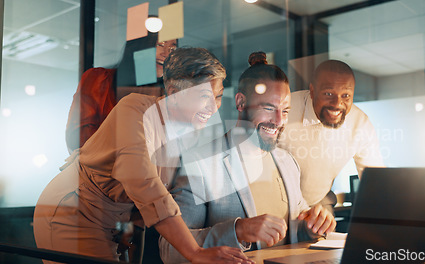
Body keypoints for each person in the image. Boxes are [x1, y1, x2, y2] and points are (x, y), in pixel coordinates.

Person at [33, 47, 252, 264]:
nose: (214, 108)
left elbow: (155, 195)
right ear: (175, 93)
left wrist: (130, 230)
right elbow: (143, 184)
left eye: (218, 96)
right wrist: (195, 251)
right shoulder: (134, 109)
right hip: (73, 211)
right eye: (205, 96)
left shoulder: (186, 134)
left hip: (113, 222)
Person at [159, 52, 336, 263]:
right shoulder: (200, 163)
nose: (279, 121)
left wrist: (314, 224)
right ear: (241, 102)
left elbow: (293, 230)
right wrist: (238, 230)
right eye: (268, 108)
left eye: (285, 111)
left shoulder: (287, 161)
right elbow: (170, 250)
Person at [278, 60, 384, 211]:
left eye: (346, 95)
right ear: (312, 91)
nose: (337, 103)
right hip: (273, 204)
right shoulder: (284, 110)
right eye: (328, 93)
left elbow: (376, 183)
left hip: (316, 206)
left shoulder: (360, 123)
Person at [65, 32, 177, 153]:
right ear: (140, 45)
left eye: (172, 49)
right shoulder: (100, 79)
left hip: (142, 169)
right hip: (105, 167)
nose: (166, 54)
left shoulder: (165, 96)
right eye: (160, 44)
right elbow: (79, 137)